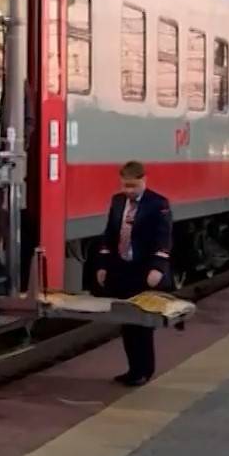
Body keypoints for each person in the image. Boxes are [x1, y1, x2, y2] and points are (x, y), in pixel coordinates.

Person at [91, 160, 174, 386]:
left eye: (133, 186)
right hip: (122, 269)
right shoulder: (118, 202)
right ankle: (133, 369)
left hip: (144, 271)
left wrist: (158, 267)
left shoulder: (158, 204)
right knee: (127, 322)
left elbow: (163, 238)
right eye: (125, 185)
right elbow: (109, 234)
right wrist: (103, 265)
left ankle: (145, 370)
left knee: (142, 323)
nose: (129, 191)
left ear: (144, 180)